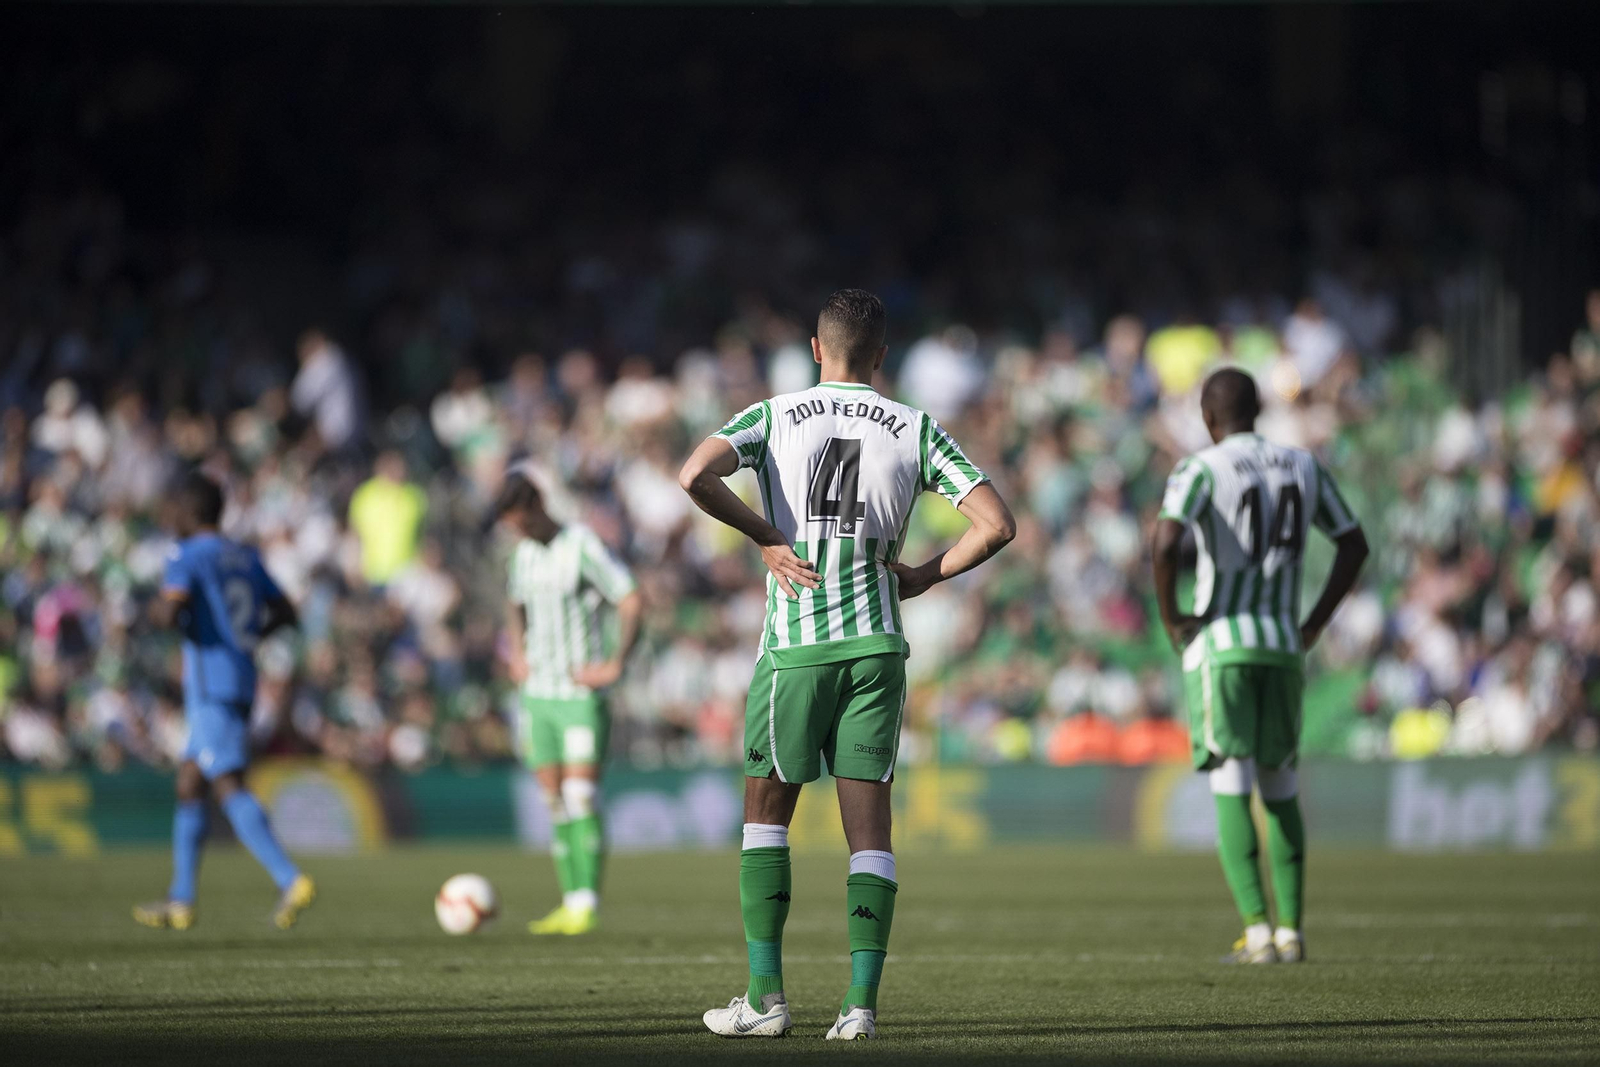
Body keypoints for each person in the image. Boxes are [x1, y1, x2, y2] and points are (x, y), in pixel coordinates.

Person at [679, 288, 1016, 1040]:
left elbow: (694, 474)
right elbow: (997, 525)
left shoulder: (773, 414)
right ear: (883, 357)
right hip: (877, 649)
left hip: (795, 650)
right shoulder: (915, 425)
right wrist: (926, 574)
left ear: (814, 347)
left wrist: (766, 534)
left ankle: (765, 999)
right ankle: (859, 1008)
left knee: (766, 821)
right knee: (871, 834)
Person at [1150, 368, 1368, 964]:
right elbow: (1355, 543)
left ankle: (1258, 932)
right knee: (1281, 787)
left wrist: (1173, 619)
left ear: (1206, 416)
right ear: (1261, 409)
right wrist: (1315, 621)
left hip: (1223, 645)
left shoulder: (1199, 468)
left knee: (1231, 782)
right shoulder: (1304, 465)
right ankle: (1293, 930)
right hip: (1283, 643)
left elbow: (1166, 544)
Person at [133, 472, 314, 931]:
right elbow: (287, 610)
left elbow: (172, 610)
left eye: (173, 508)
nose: (167, 517)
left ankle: (289, 877)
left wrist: (150, 613)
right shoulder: (244, 555)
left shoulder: (187, 554)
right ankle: (181, 898)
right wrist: (247, 638)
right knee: (190, 781)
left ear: (190, 512)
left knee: (227, 782)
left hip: (211, 684)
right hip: (237, 678)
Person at [497, 463, 642, 936]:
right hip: (537, 696)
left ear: (537, 507)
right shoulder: (522, 555)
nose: (516, 530)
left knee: (580, 796)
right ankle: (568, 900)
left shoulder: (581, 544)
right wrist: (516, 653)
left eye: (519, 521)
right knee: (554, 802)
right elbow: (515, 605)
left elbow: (630, 597)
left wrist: (616, 661)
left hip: (579, 694)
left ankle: (587, 902)